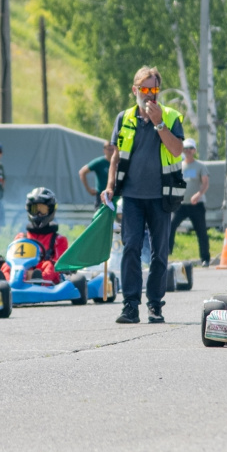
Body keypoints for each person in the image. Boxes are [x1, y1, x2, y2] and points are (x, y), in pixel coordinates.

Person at [99, 65, 187, 324]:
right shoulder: (124, 118)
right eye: (145, 89)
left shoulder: (170, 116)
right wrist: (109, 185)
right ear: (135, 90)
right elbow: (116, 156)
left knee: (160, 253)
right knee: (131, 249)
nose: (150, 95)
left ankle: (155, 305)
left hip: (162, 197)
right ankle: (130, 305)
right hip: (133, 197)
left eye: (155, 89)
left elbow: (176, 150)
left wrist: (159, 122)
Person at [0, 187, 70, 284]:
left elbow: (60, 266)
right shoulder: (21, 237)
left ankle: (38, 280)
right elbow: (14, 259)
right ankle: (6, 283)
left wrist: (36, 273)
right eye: (35, 209)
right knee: (6, 265)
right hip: (21, 269)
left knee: (50, 265)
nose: (38, 214)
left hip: (45, 274)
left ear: (51, 210)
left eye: (42, 210)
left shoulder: (59, 239)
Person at [168, 137, 211, 266]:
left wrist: (199, 194)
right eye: (185, 148)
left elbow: (205, 183)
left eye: (190, 148)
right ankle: (167, 253)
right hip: (181, 204)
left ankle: (205, 258)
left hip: (196, 205)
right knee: (171, 226)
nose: (188, 151)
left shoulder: (200, 166)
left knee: (201, 231)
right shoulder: (179, 166)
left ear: (194, 150)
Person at [79, 143, 115, 207]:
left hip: (116, 195)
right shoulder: (100, 162)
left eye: (113, 149)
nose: (111, 152)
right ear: (104, 150)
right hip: (102, 196)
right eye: (109, 150)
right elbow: (82, 172)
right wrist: (88, 189)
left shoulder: (118, 162)